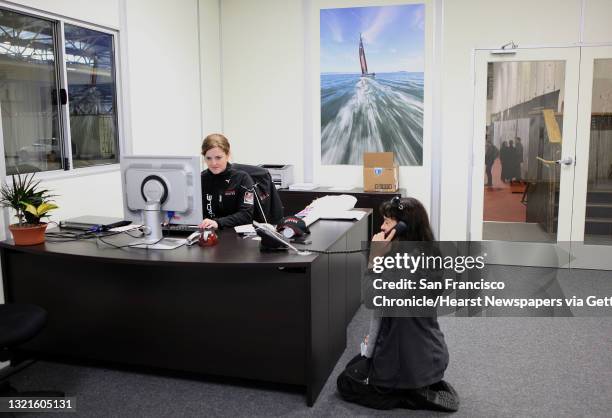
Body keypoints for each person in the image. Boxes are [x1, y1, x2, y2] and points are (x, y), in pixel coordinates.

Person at [336, 197, 459, 412]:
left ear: (402, 228)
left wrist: (374, 258)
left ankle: (412, 395)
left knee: (346, 383)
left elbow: (371, 298)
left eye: (386, 222)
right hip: (427, 352)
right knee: (355, 365)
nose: (381, 227)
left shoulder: (405, 267)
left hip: (404, 359)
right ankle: (426, 382)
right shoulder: (425, 253)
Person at [199, 133, 254, 229]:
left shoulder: (243, 179)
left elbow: (246, 215)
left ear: (227, 155)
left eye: (218, 157)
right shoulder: (200, 179)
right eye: (208, 158)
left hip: (235, 235)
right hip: (207, 233)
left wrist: (218, 223)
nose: (213, 163)